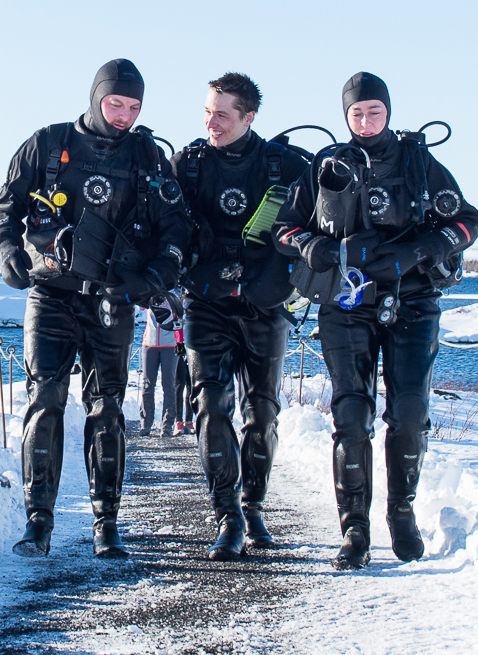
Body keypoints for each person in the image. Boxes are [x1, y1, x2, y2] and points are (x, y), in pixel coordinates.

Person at [272, 72, 478, 570]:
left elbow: (468, 222)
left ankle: (402, 514)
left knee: (409, 412)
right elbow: (283, 228)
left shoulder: (419, 163)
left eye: (374, 112)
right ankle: (355, 529)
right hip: (346, 303)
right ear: (345, 117)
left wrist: (419, 251)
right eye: (356, 113)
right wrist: (314, 245)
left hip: (413, 299)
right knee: (351, 415)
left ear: (388, 111)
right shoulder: (326, 167)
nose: (365, 121)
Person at [0, 59, 191, 559]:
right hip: (52, 293)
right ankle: (38, 523)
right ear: (96, 96)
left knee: (106, 409)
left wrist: (159, 273)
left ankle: (107, 523)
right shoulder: (47, 144)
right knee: (46, 400)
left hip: (113, 299)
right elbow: (6, 209)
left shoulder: (149, 158)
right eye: (115, 103)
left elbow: (176, 228)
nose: (123, 114)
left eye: (133, 106)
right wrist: (9, 251)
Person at [172, 73, 310, 561]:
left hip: (263, 303)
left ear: (250, 117)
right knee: (210, 406)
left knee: (262, 412)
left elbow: (320, 224)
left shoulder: (288, 166)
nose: (212, 123)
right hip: (205, 301)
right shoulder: (187, 166)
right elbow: (158, 225)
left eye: (223, 115)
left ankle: (253, 506)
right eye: (207, 112)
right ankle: (227, 514)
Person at [137, 294, 184, 437]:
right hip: (149, 344)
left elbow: (180, 320)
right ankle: (146, 424)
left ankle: (167, 426)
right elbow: (140, 303)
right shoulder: (149, 293)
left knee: (168, 386)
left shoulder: (174, 295)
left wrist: (180, 343)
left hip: (170, 345)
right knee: (147, 385)